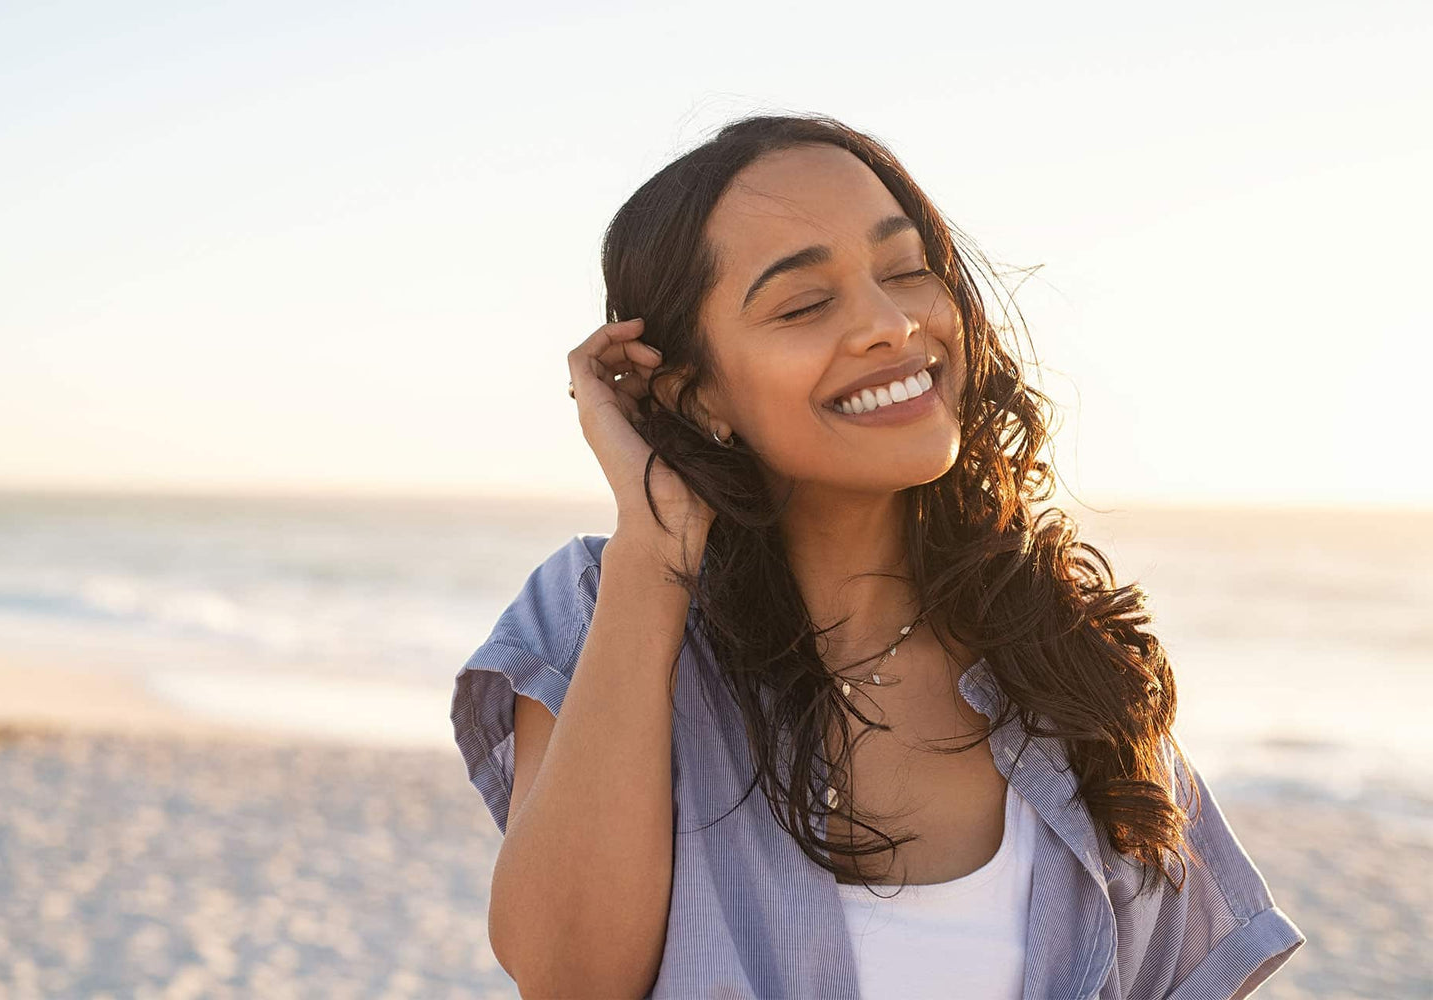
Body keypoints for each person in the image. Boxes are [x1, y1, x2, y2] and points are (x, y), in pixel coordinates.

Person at [449, 113, 1305, 999]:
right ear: (697, 391)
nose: (891, 326)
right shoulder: (598, 609)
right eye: (805, 304)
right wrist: (654, 550)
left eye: (905, 272)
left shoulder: (1072, 663)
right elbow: (567, 978)